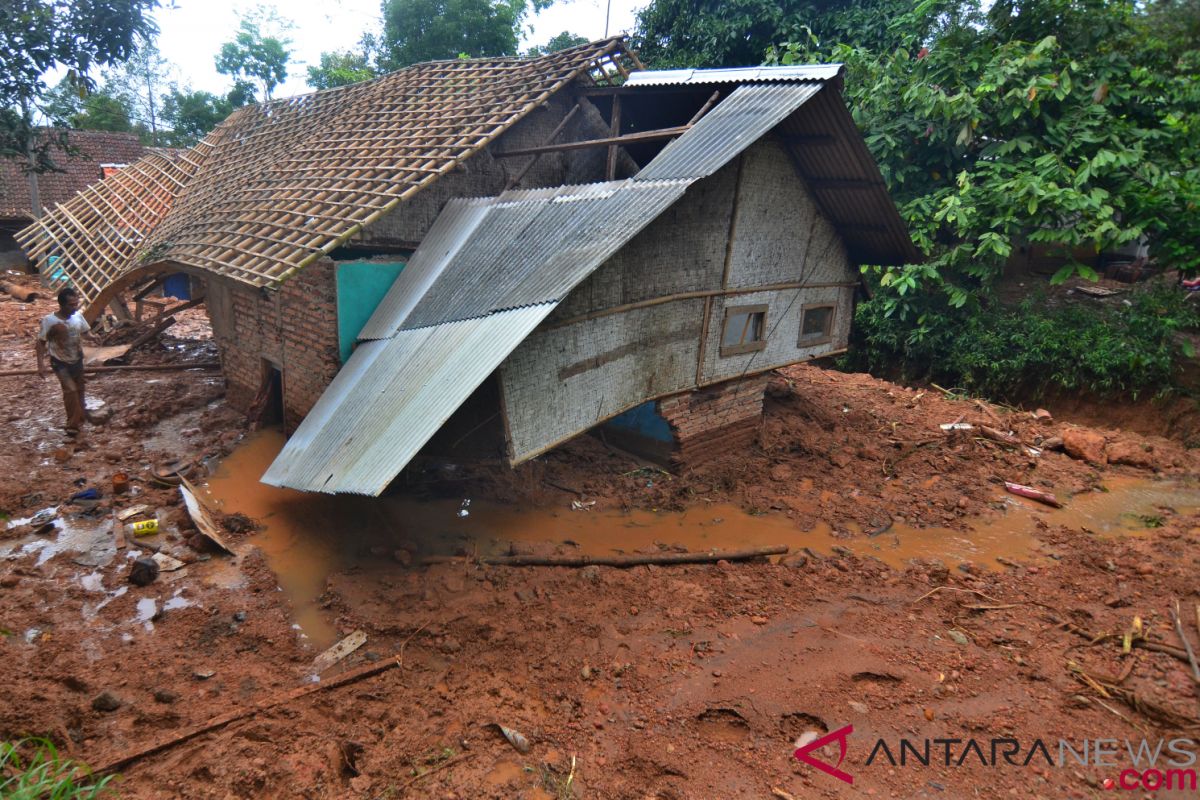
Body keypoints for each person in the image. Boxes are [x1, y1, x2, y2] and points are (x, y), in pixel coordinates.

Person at [36, 287, 98, 434]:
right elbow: (40, 343)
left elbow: (85, 332)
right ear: (61, 305)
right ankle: (72, 425)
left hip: (77, 359)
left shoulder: (77, 316)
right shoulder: (49, 321)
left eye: (76, 304)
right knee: (70, 391)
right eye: (71, 305)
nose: (75, 307)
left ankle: (79, 419)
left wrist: (93, 337)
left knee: (80, 390)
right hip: (59, 362)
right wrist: (40, 365)